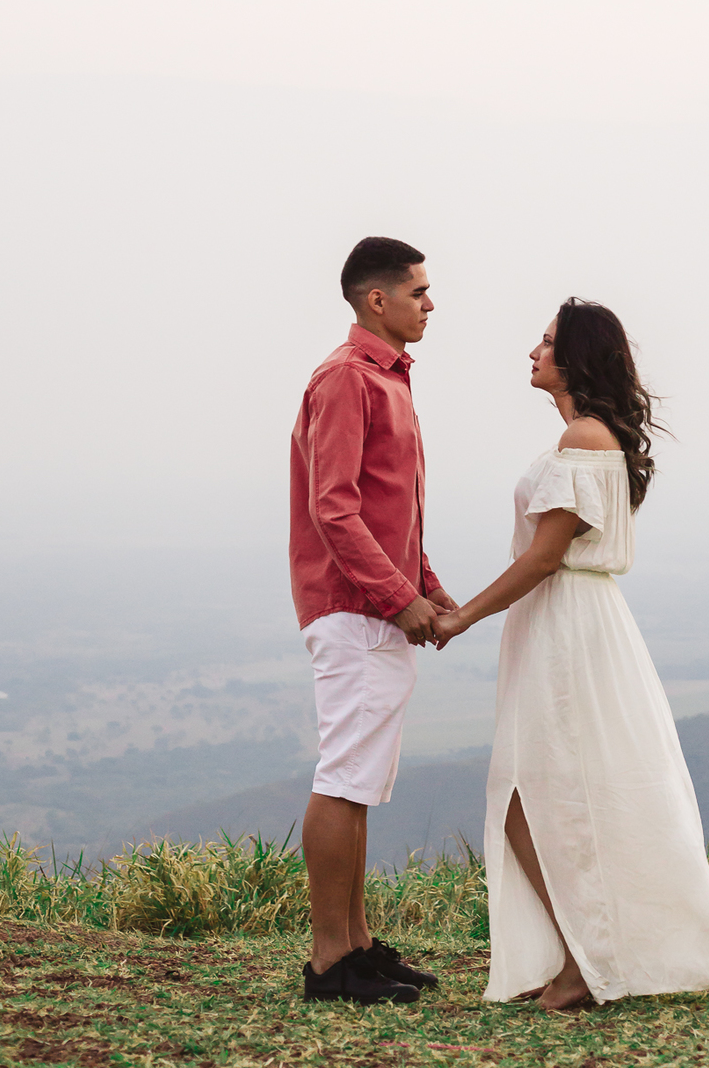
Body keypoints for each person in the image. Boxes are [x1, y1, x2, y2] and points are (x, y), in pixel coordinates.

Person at [432, 297, 709, 1011]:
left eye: (544, 342)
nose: (532, 353)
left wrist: (463, 617)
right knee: (538, 795)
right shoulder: (587, 437)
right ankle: (582, 953)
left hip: (567, 625)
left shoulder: (584, 438)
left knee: (545, 796)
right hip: (565, 622)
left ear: (575, 358)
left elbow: (546, 557)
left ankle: (586, 962)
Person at [289, 237, 458, 1006]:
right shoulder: (345, 380)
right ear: (375, 300)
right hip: (353, 609)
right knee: (343, 779)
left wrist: (426, 585)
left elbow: (396, 511)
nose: (430, 303)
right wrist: (399, 598)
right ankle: (330, 962)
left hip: (376, 605)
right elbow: (335, 507)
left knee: (361, 784)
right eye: (419, 291)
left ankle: (357, 944)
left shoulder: (389, 380)